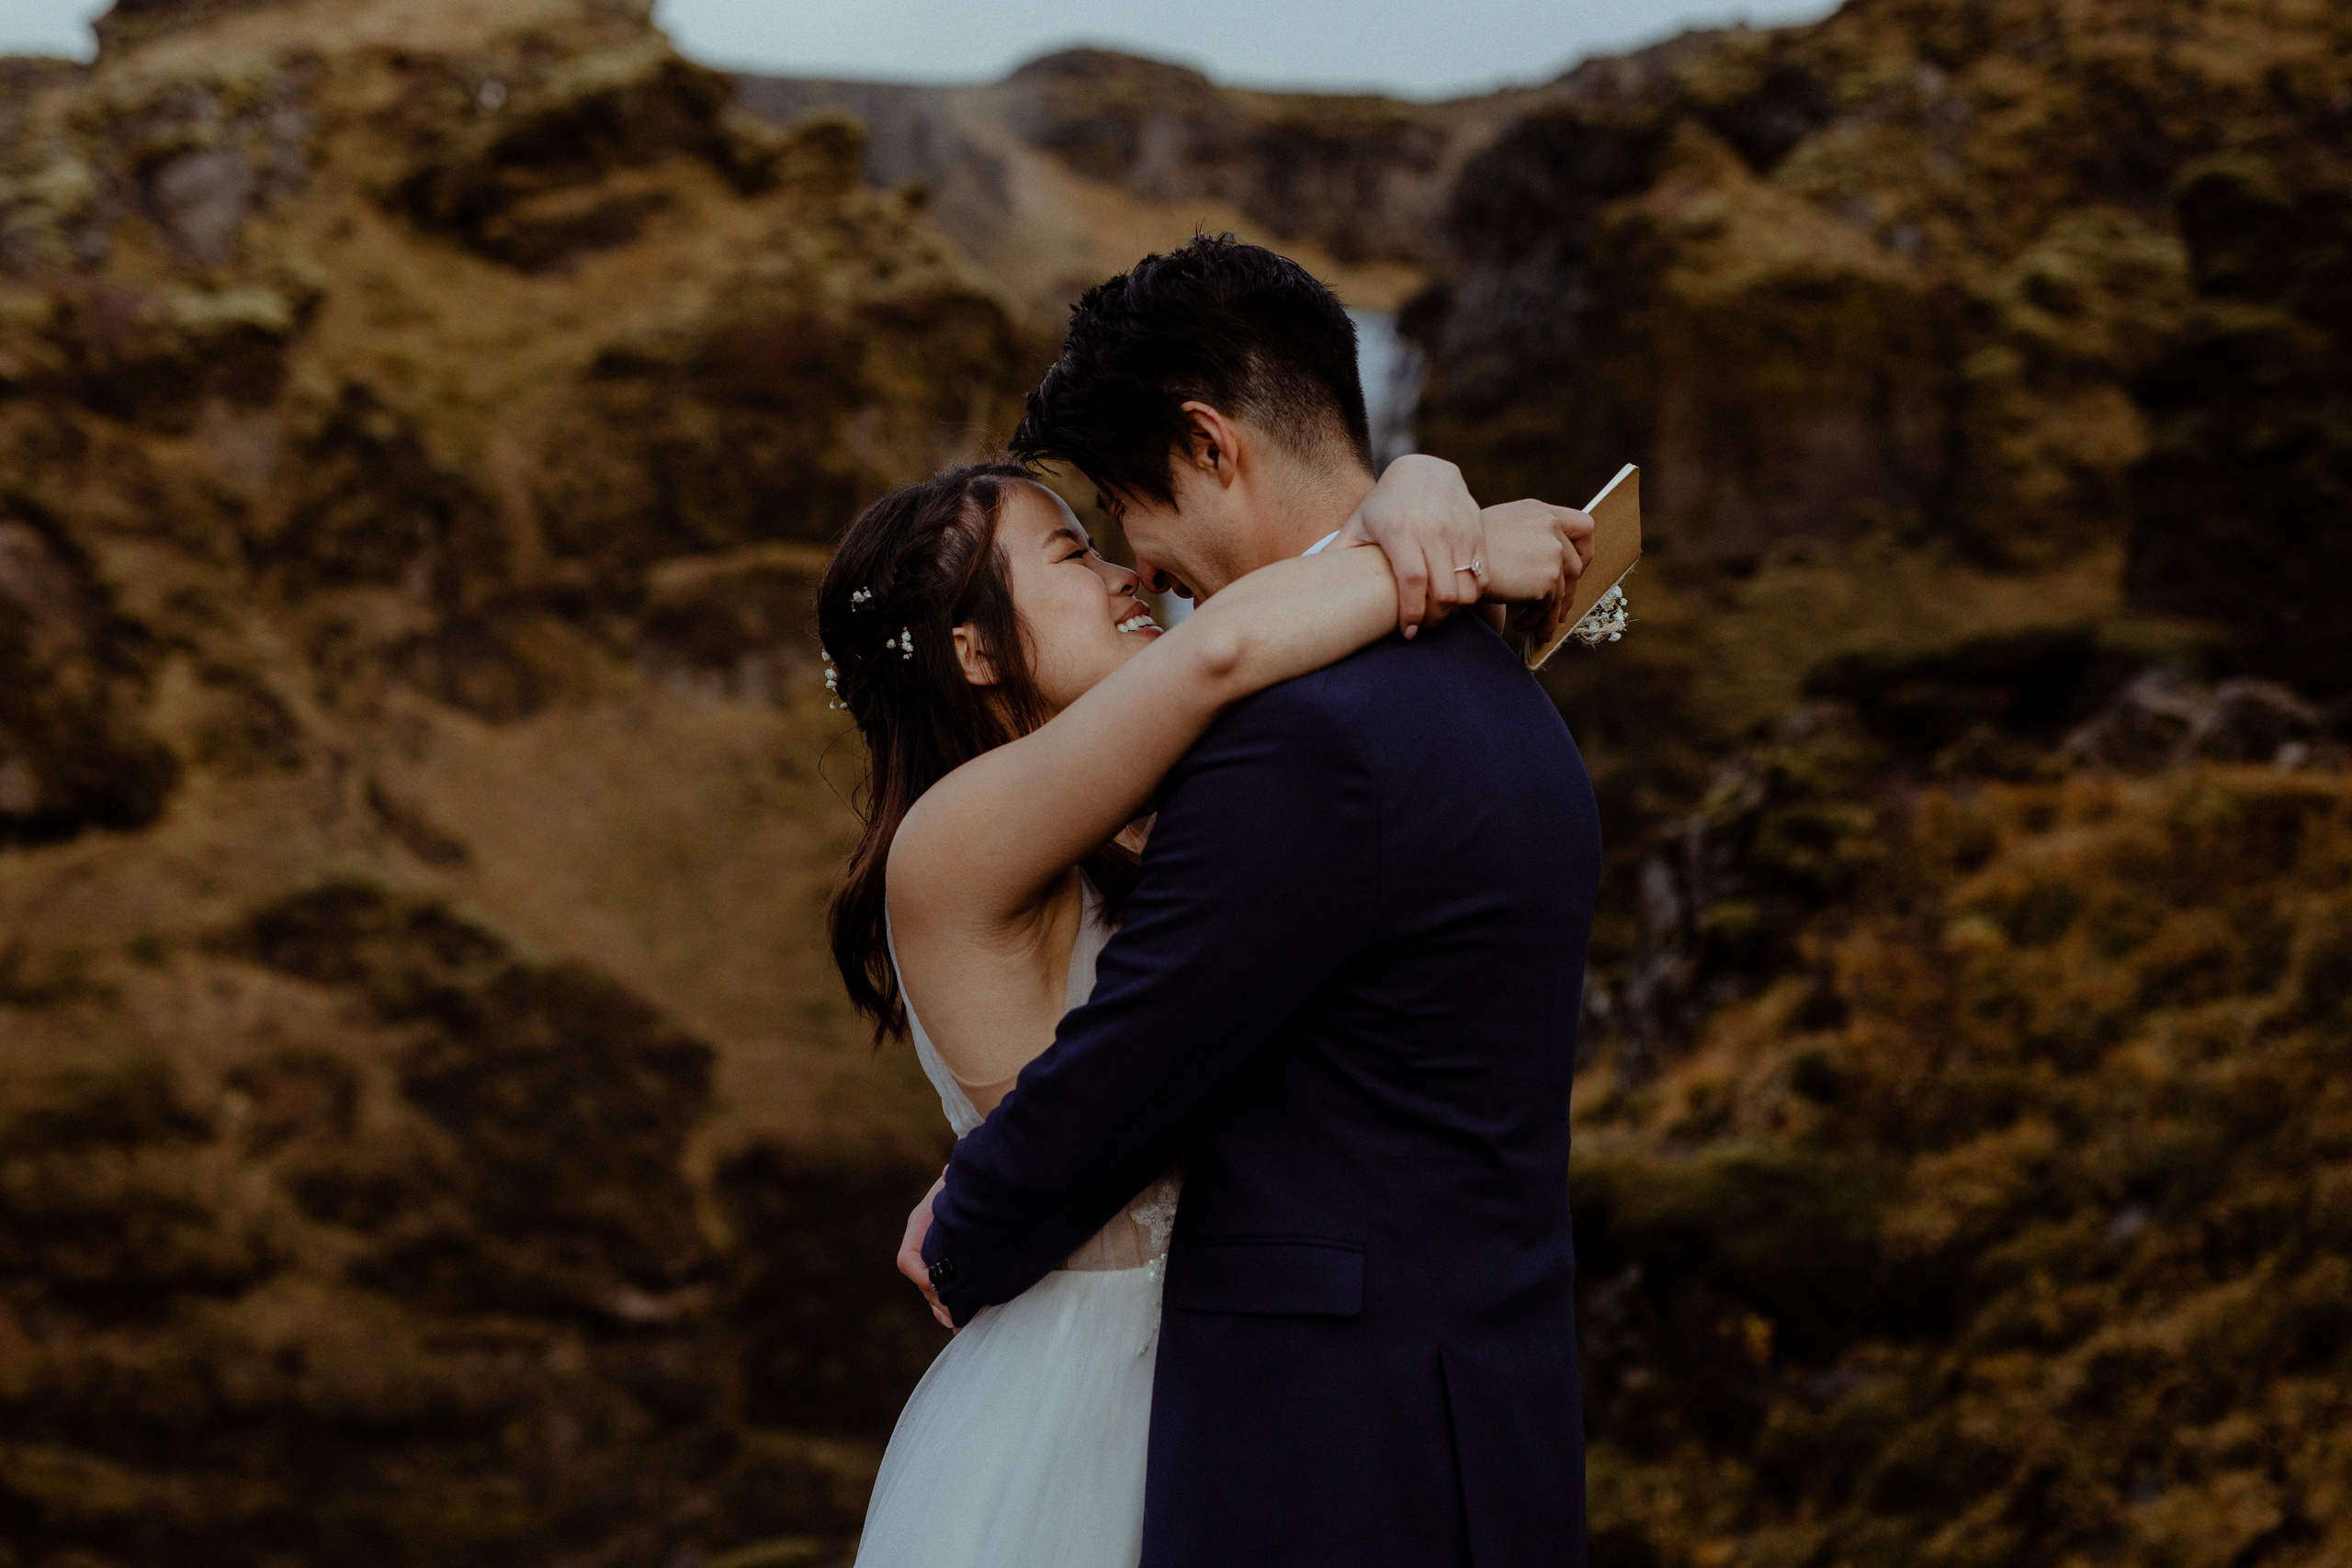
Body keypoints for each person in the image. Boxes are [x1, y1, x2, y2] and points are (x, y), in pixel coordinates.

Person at [838, 236, 1600, 1566]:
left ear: (1209, 444)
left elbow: (1145, 1052)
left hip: (1322, 1436)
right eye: (1076, 551)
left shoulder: (1296, 742)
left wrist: (970, 1215)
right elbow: (1221, 666)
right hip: (1417, 1406)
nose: (1137, 569)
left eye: (1118, 516)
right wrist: (1448, 532)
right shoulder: (1482, 688)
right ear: (968, 647)